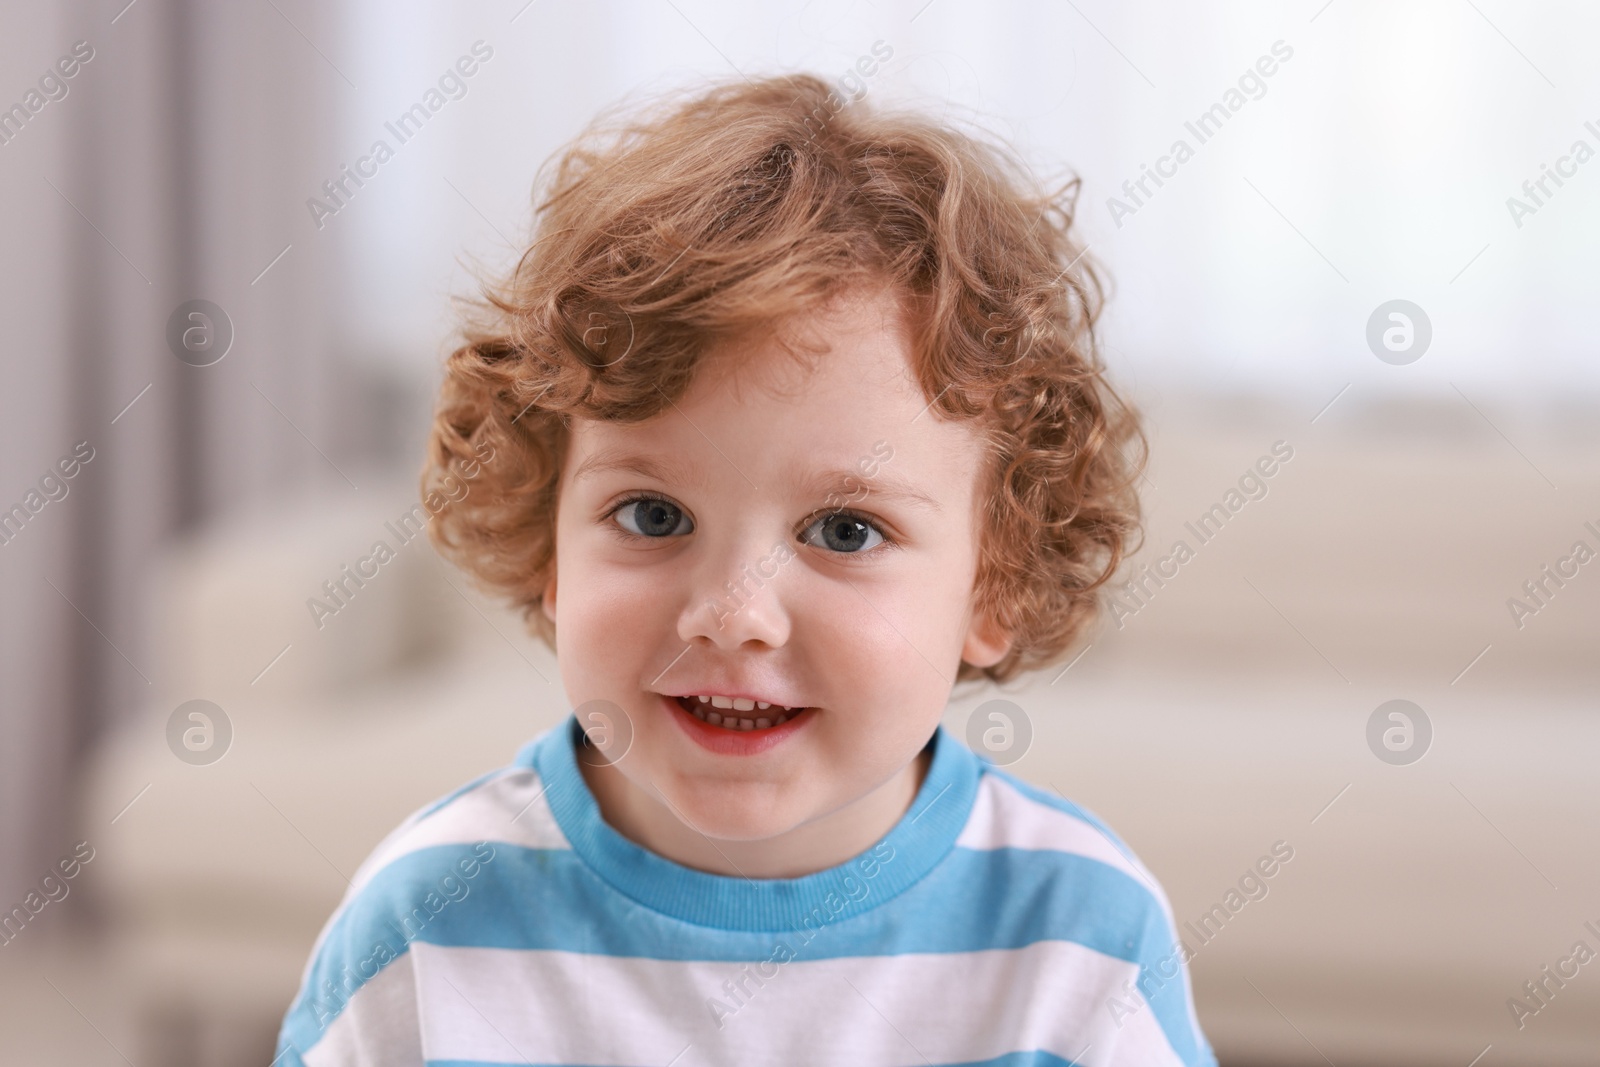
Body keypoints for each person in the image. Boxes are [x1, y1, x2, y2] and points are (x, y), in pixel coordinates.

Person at [274, 72, 1217, 1066]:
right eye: (652, 514)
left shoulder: (1078, 942)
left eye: (845, 531)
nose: (732, 614)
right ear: (550, 547)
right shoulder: (427, 922)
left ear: (995, 585)